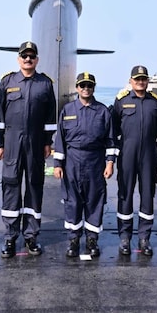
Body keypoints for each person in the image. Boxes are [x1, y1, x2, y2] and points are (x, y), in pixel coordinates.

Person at [0, 41, 57, 258]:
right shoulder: (7, 82)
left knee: (34, 185)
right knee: (10, 186)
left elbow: (50, 117)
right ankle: (10, 237)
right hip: (11, 142)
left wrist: (48, 142)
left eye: (31, 56)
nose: (28, 59)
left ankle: (31, 235)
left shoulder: (45, 83)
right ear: (18, 59)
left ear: (37, 59)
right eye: (24, 56)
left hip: (35, 142)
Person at [53, 72, 115, 257]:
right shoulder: (67, 110)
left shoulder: (103, 111)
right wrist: (58, 164)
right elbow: (60, 139)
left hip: (95, 161)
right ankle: (73, 239)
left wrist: (110, 163)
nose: (86, 88)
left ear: (93, 88)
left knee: (94, 200)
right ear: (77, 88)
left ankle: (92, 239)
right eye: (82, 85)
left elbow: (110, 140)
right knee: (72, 201)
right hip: (72, 161)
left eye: (89, 85)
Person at [110, 65, 157, 256]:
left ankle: (144, 237)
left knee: (147, 195)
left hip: (148, 154)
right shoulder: (122, 101)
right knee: (125, 194)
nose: (140, 82)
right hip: (127, 153)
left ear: (147, 81)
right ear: (131, 81)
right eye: (137, 79)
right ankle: (125, 237)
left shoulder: (155, 103)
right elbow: (114, 127)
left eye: (143, 79)